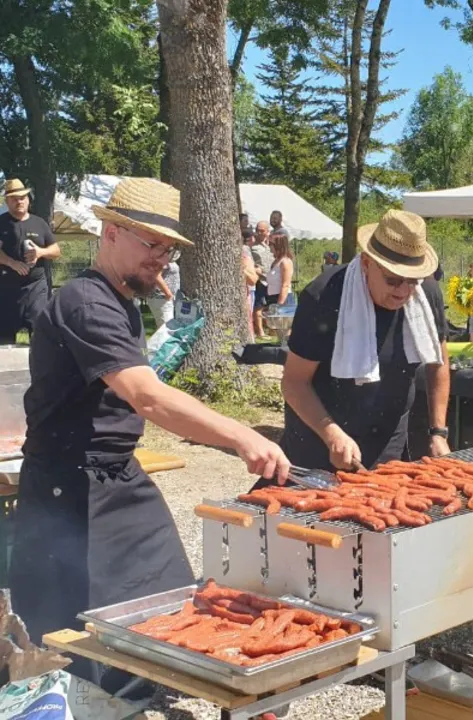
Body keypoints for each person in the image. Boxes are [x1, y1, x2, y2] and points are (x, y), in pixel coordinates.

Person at [8, 178, 289, 689]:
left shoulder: (118, 300)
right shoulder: (85, 302)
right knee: (68, 626)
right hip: (67, 485)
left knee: (168, 596)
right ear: (111, 233)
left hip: (117, 473)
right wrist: (242, 436)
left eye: (166, 248)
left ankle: (141, 692)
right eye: (149, 243)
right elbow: (148, 396)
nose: (160, 257)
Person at [261, 209, 451, 478]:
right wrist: (331, 433)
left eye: (412, 280)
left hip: (388, 441)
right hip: (318, 439)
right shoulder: (324, 295)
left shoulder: (426, 293)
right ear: (366, 263)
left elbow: (438, 363)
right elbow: (293, 382)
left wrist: (438, 431)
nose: (403, 291)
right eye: (393, 280)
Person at [0, 179, 61, 343]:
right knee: (5, 339)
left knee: (41, 335)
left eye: (22, 197)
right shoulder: (2, 222)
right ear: (7, 201)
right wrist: (11, 262)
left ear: (28, 199)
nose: (19, 201)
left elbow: (56, 251)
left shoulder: (39, 223)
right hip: (7, 289)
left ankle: (41, 365)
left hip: (36, 287)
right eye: (14, 199)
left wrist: (41, 252)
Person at [145, 251, 180, 328]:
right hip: (161, 298)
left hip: (165, 298)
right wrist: (168, 293)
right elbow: (156, 276)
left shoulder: (170, 257)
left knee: (165, 329)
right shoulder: (163, 257)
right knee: (166, 330)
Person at [250, 221, 272, 338]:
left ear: (268, 232)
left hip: (271, 280)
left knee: (269, 306)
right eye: (257, 230)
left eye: (262, 231)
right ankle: (260, 331)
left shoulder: (269, 246)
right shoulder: (253, 247)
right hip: (260, 280)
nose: (259, 233)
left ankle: (270, 328)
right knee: (259, 305)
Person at [266, 230, 294, 307]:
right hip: (272, 297)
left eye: (271, 244)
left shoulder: (286, 262)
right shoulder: (276, 261)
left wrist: (279, 305)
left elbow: (285, 285)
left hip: (283, 299)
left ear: (278, 245)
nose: (269, 246)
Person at [241, 231, 258, 341]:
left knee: (247, 322)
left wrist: (242, 269)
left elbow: (253, 280)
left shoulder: (245, 259)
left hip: (244, 295)